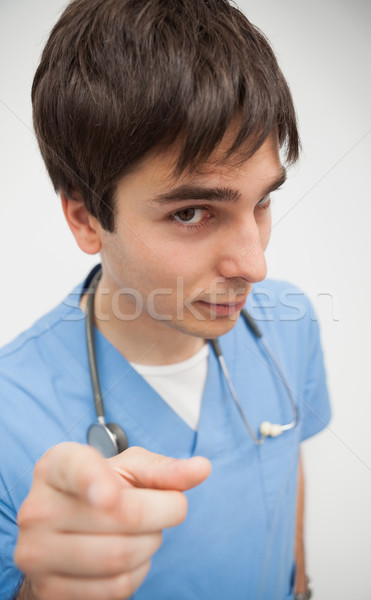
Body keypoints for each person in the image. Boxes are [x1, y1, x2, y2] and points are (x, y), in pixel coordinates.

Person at [0, 0, 331, 598]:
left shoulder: (293, 324)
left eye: (261, 202)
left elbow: (287, 478)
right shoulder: (9, 414)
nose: (255, 265)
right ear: (85, 218)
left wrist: (302, 587)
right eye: (192, 212)